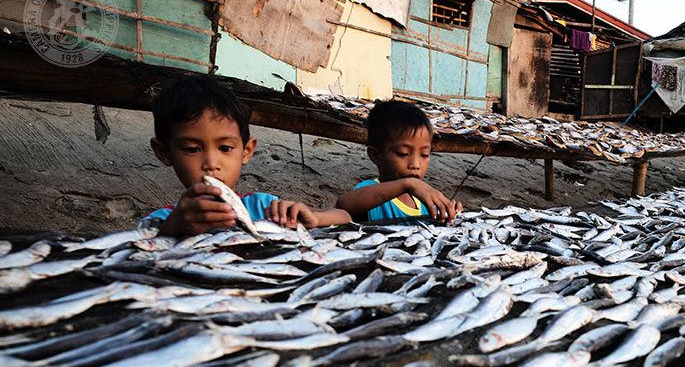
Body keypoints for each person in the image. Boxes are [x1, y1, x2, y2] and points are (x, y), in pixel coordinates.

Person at [142, 75, 351, 235]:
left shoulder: (263, 207)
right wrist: (171, 230)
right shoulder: (162, 221)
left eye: (224, 148)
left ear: (247, 151)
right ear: (164, 153)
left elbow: (344, 216)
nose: (211, 164)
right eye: (192, 149)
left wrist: (312, 218)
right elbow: (135, 251)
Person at [335, 100, 462, 223]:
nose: (415, 165)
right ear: (375, 156)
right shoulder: (370, 191)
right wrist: (407, 184)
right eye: (403, 153)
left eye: (424, 155)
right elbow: (344, 204)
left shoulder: (425, 199)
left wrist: (449, 211)